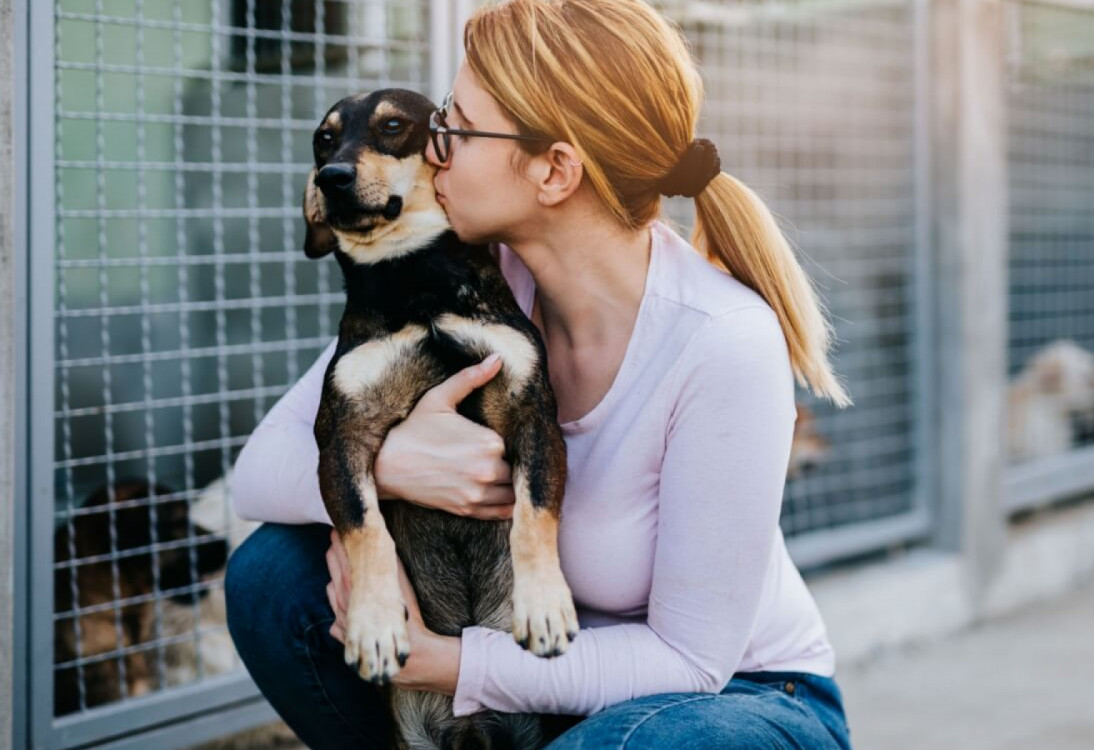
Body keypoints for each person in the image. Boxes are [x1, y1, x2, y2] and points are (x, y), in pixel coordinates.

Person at [225, 1, 854, 748]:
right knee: (273, 575)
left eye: (455, 128)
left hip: (725, 701)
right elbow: (259, 472)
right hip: (531, 677)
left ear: (554, 170)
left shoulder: (721, 340)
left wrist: (453, 666)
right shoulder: (482, 281)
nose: (434, 152)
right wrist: (392, 467)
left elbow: (690, 661)